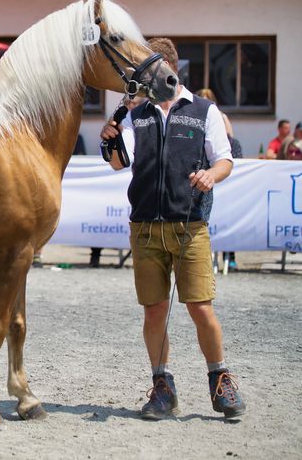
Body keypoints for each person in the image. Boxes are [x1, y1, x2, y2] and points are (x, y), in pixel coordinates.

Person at [100, 38, 246, 421]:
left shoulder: (204, 110)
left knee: (201, 308)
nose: (145, 78)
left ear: (168, 67)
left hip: (190, 226)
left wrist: (211, 175)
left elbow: (224, 159)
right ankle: (162, 386)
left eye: (149, 70)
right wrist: (111, 142)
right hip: (145, 228)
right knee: (154, 312)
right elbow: (119, 164)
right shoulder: (138, 114)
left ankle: (220, 379)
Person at [195, 88, 241, 269]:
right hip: (203, 179)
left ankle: (230, 257)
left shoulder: (218, 116)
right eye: (201, 98)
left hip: (217, 175)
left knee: (228, 218)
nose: (204, 101)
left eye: (207, 98)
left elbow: (230, 144)